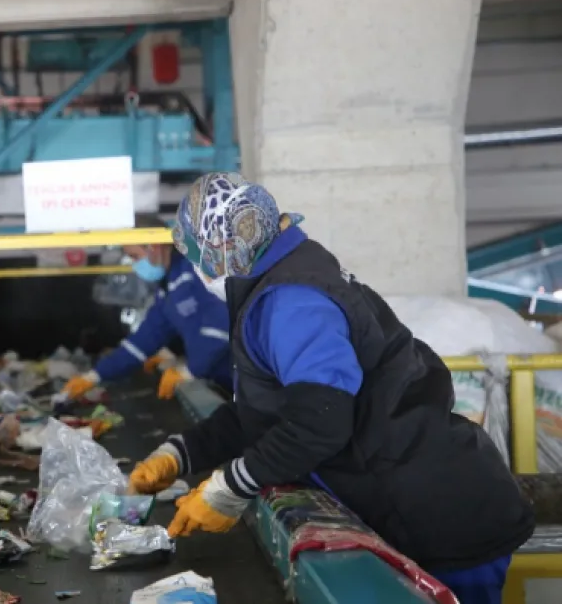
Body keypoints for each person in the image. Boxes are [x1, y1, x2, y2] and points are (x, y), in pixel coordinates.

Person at [128, 172, 533, 604]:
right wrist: (180, 452)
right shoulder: (280, 281)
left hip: (443, 516)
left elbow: (320, 421)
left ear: (226, 246)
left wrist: (230, 486)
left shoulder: (292, 303)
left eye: (199, 256)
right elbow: (267, 410)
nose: (198, 269)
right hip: (414, 498)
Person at [62, 215, 231, 401]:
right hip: (222, 380)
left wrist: (190, 370)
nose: (134, 265)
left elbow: (221, 325)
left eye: (135, 257)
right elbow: (143, 341)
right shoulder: (168, 290)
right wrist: (93, 376)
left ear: (155, 247)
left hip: (246, 378)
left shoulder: (195, 270)